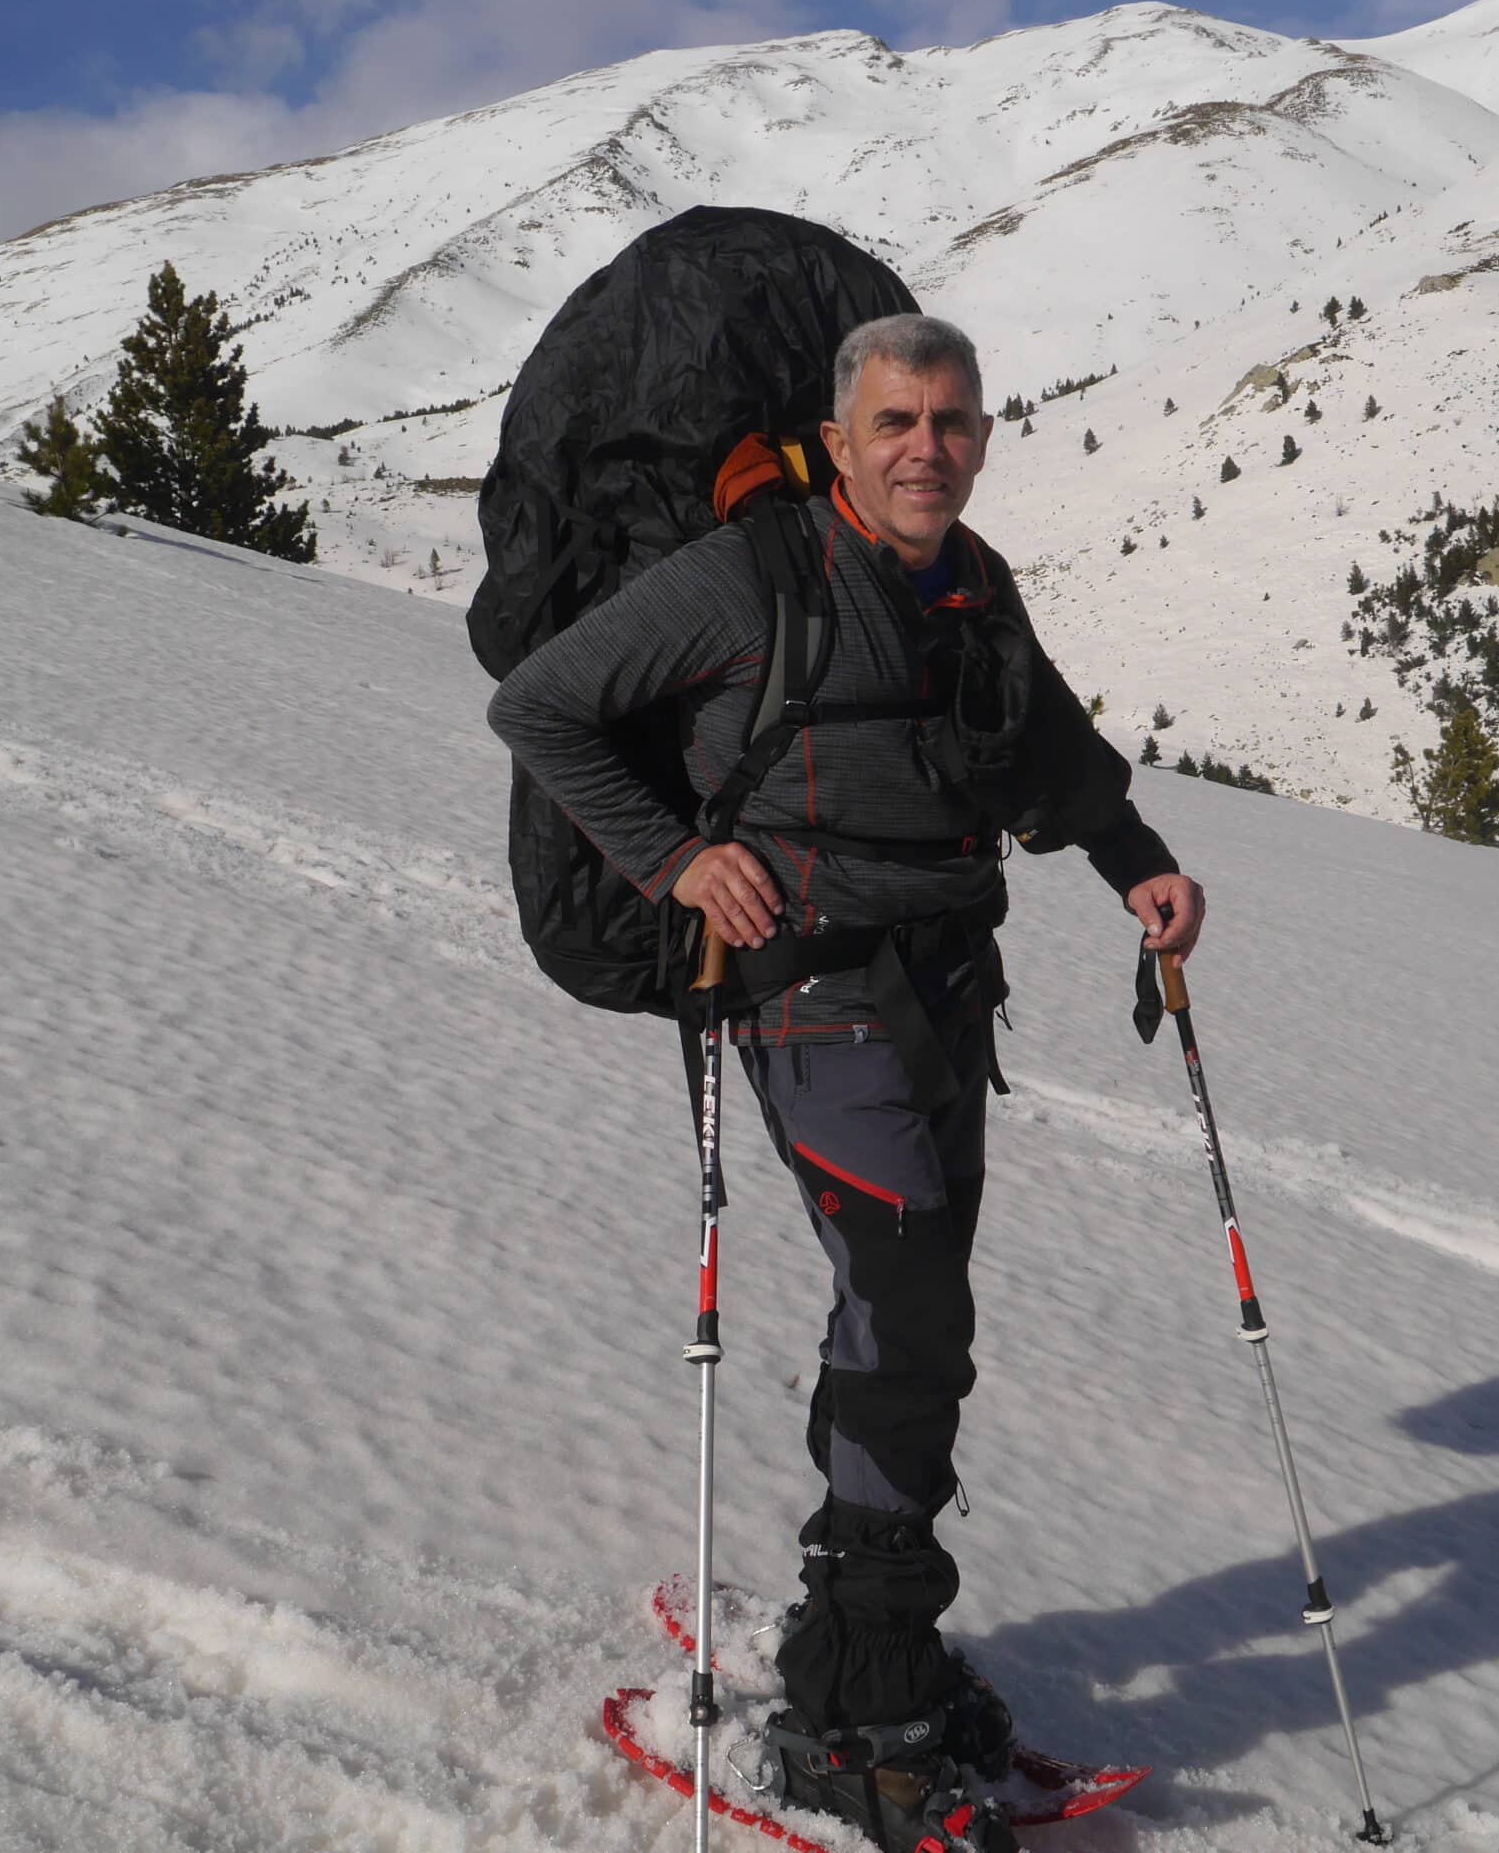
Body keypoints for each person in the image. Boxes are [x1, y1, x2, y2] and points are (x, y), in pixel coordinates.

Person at [487, 313, 1204, 1852]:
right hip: (809, 988)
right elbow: (541, 705)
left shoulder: (974, 582)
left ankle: (867, 1634)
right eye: (896, 420)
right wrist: (682, 857)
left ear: (985, 432)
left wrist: (1135, 863)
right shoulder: (753, 575)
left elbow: (1052, 754)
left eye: (952, 420)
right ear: (842, 429)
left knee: (918, 1306)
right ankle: (851, 1702)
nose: (926, 446)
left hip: (950, 987)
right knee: (907, 1305)